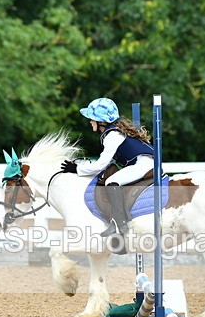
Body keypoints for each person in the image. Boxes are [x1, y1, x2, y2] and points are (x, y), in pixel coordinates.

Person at [60, 97, 155, 236]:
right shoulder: (115, 131)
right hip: (145, 163)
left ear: (101, 121)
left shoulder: (113, 135)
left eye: (92, 118)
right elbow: (107, 162)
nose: (90, 121)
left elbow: (100, 165)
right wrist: (81, 165)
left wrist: (76, 169)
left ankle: (120, 224)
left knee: (111, 182)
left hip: (143, 165)